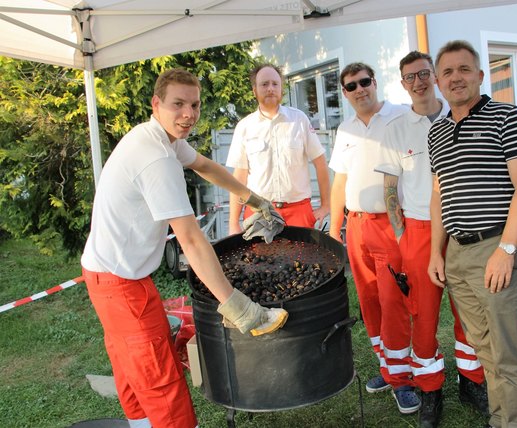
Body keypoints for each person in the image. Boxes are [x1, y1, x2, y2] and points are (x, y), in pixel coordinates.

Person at [81, 68, 288, 428]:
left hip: (107, 274)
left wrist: (253, 198)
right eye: (178, 104)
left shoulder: (163, 140)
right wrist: (241, 308)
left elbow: (205, 165)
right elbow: (191, 239)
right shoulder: (156, 158)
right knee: (161, 380)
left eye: (194, 105)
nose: (189, 114)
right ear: (156, 104)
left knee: (133, 368)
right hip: (120, 284)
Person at [427, 40, 517, 428]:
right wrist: (435, 253)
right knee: (485, 348)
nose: (455, 78)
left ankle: (516, 423)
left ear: (479, 75)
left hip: (496, 246)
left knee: (508, 350)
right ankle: (499, 418)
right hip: (457, 254)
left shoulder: (508, 118)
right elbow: (439, 196)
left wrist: (506, 250)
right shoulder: (436, 133)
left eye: (463, 69)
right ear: (439, 82)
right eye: (447, 72)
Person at [375, 51, 488, 427]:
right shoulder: (395, 129)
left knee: (470, 310)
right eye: (410, 77)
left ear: (435, 77)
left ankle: (472, 381)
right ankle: (430, 388)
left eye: (424, 73)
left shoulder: (461, 112)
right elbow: (390, 189)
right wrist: (405, 237)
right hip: (420, 231)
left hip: (464, 227)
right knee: (423, 317)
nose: (418, 81)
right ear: (403, 83)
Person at [328, 62, 419, 414]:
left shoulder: (399, 116)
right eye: (351, 86)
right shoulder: (346, 128)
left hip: (390, 224)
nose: (360, 89)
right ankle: (388, 367)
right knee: (369, 302)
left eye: (365, 82)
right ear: (346, 93)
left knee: (394, 300)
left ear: (375, 83)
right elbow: (340, 183)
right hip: (358, 228)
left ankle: (404, 381)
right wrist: (335, 232)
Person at [226, 63, 330, 234]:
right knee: (261, 261)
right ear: (254, 90)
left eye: (275, 84)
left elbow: (320, 163)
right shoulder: (244, 127)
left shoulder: (299, 120)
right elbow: (239, 179)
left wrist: (326, 205)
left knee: (302, 261)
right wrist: (233, 223)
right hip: (258, 213)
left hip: (299, 213)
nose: (270, 89)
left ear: (282, 89)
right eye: (264, 84)